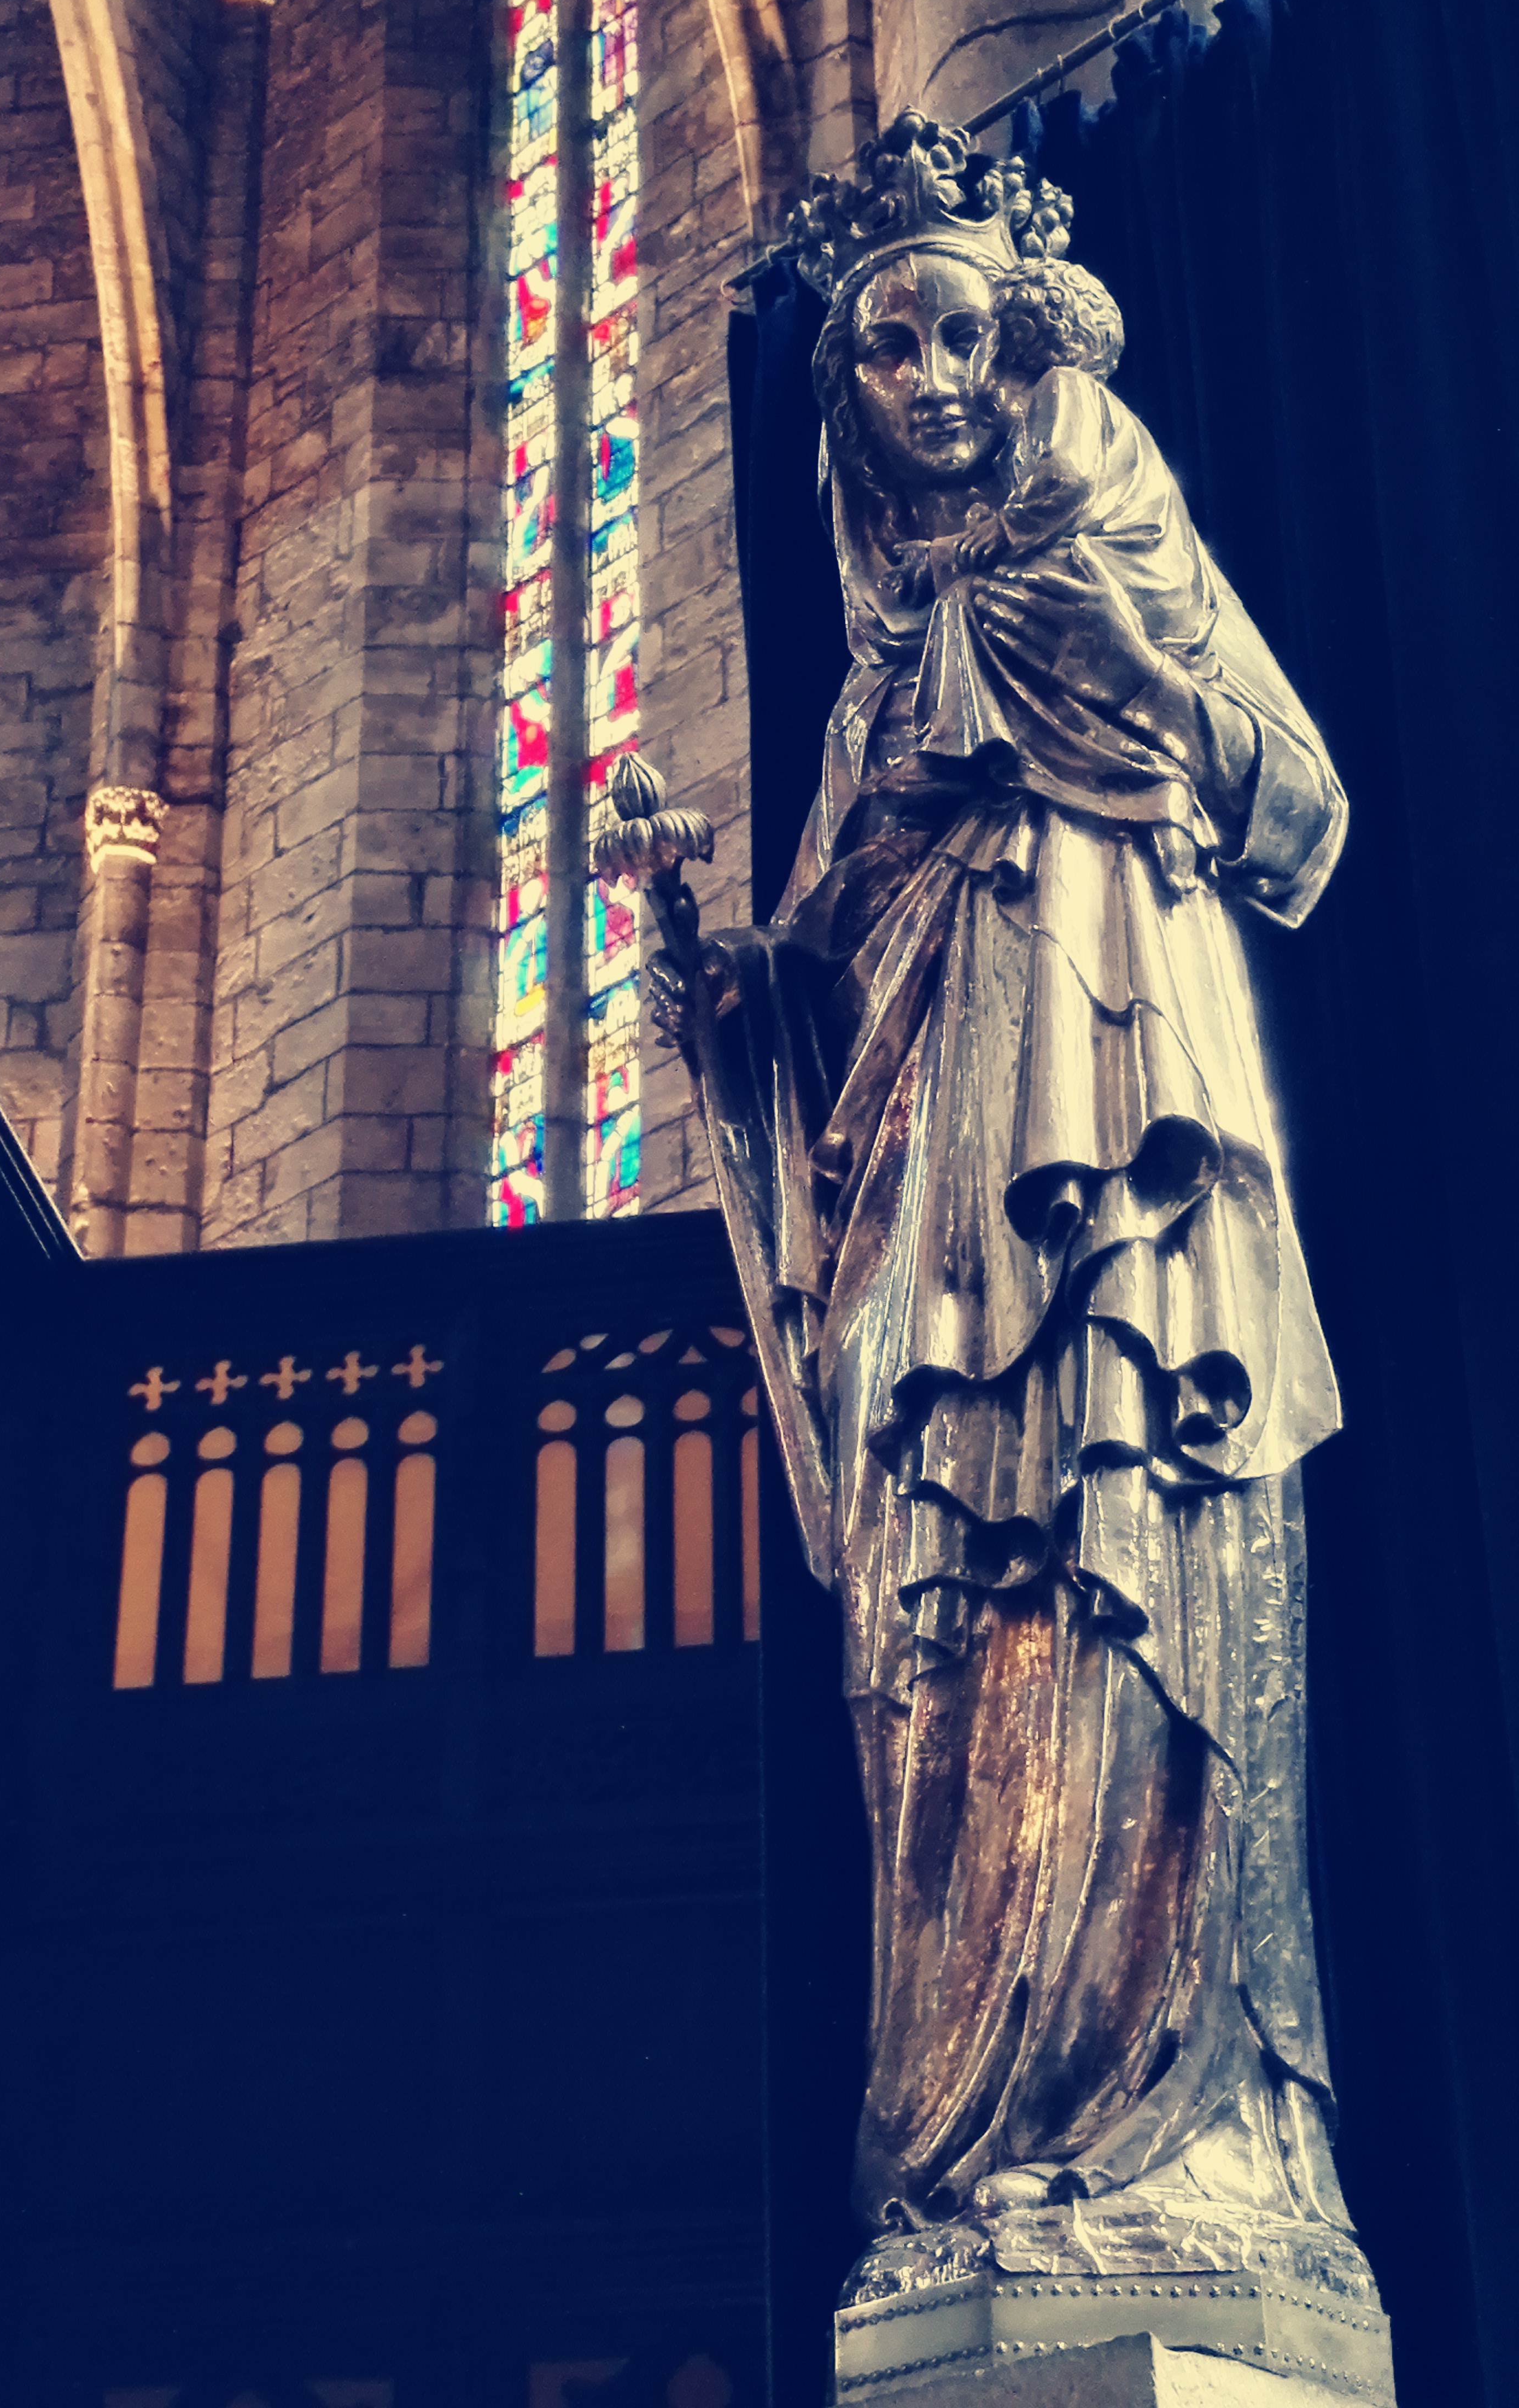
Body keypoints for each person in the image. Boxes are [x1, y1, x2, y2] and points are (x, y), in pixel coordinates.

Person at [651, 116, 1382, 2310]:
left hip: (1129, 1143)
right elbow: (810, 991)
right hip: (926, 1216)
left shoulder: (1114, 548)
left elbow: (1301, 809)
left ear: (1030, 349)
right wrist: (712, 980)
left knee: (1137, 1551)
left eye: (961, 331)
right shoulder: (876, 688)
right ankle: (973, 2145)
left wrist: (1124, 684)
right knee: (947, 1638)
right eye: (883, 347)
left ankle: (1184, 2143)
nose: (928, 377)